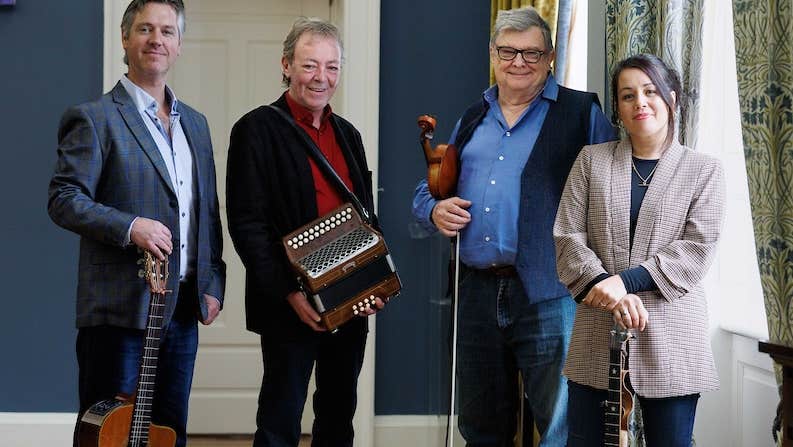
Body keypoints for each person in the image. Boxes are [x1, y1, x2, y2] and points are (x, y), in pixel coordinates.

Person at [411, 6, 615, 446]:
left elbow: (615, 192)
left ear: (550, 57)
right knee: (481, 428)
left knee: (561, 429)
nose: (519, 62)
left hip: (551, 294)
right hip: (475, 294)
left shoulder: (582, 113)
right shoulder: (472, 118)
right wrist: (434, 211)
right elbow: (427, 191)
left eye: (532, 53)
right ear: (493, 54)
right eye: (508, 51)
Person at [47, 1, 226, 445]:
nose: (156, 40)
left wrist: (212, 282)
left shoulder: (196, 125)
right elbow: (64, 199)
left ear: (179, 45)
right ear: (125, 38)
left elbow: (206, 211)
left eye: (167, 31)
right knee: (107, 437)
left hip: (182, 312)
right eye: (145, 29)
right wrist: (132, 227)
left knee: (169, 433)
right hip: (119, 312)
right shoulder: (94, 118)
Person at [225, 17, 385, 447]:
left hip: (349, 298)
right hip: (289, 302)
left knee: (338, 417)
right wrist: (289, 293)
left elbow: (366, 215)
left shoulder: (348, 134)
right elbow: (247, 224)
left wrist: (373, 280)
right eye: (310, 65)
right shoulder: (255, 129)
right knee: (279, 421)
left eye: (332, 67)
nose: (321, 77)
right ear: (287, 65)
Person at [553, 53, 725, 446]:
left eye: (650, 92)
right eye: (628, 95)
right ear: (618, 107)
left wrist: (623, 282)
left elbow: (697, 248)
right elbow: (568, 236)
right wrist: (609, 289)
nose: (640, 103)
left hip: (673, 332)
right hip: (598, 328)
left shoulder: (704, 170)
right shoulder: (591, 161)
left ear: (672, 99)